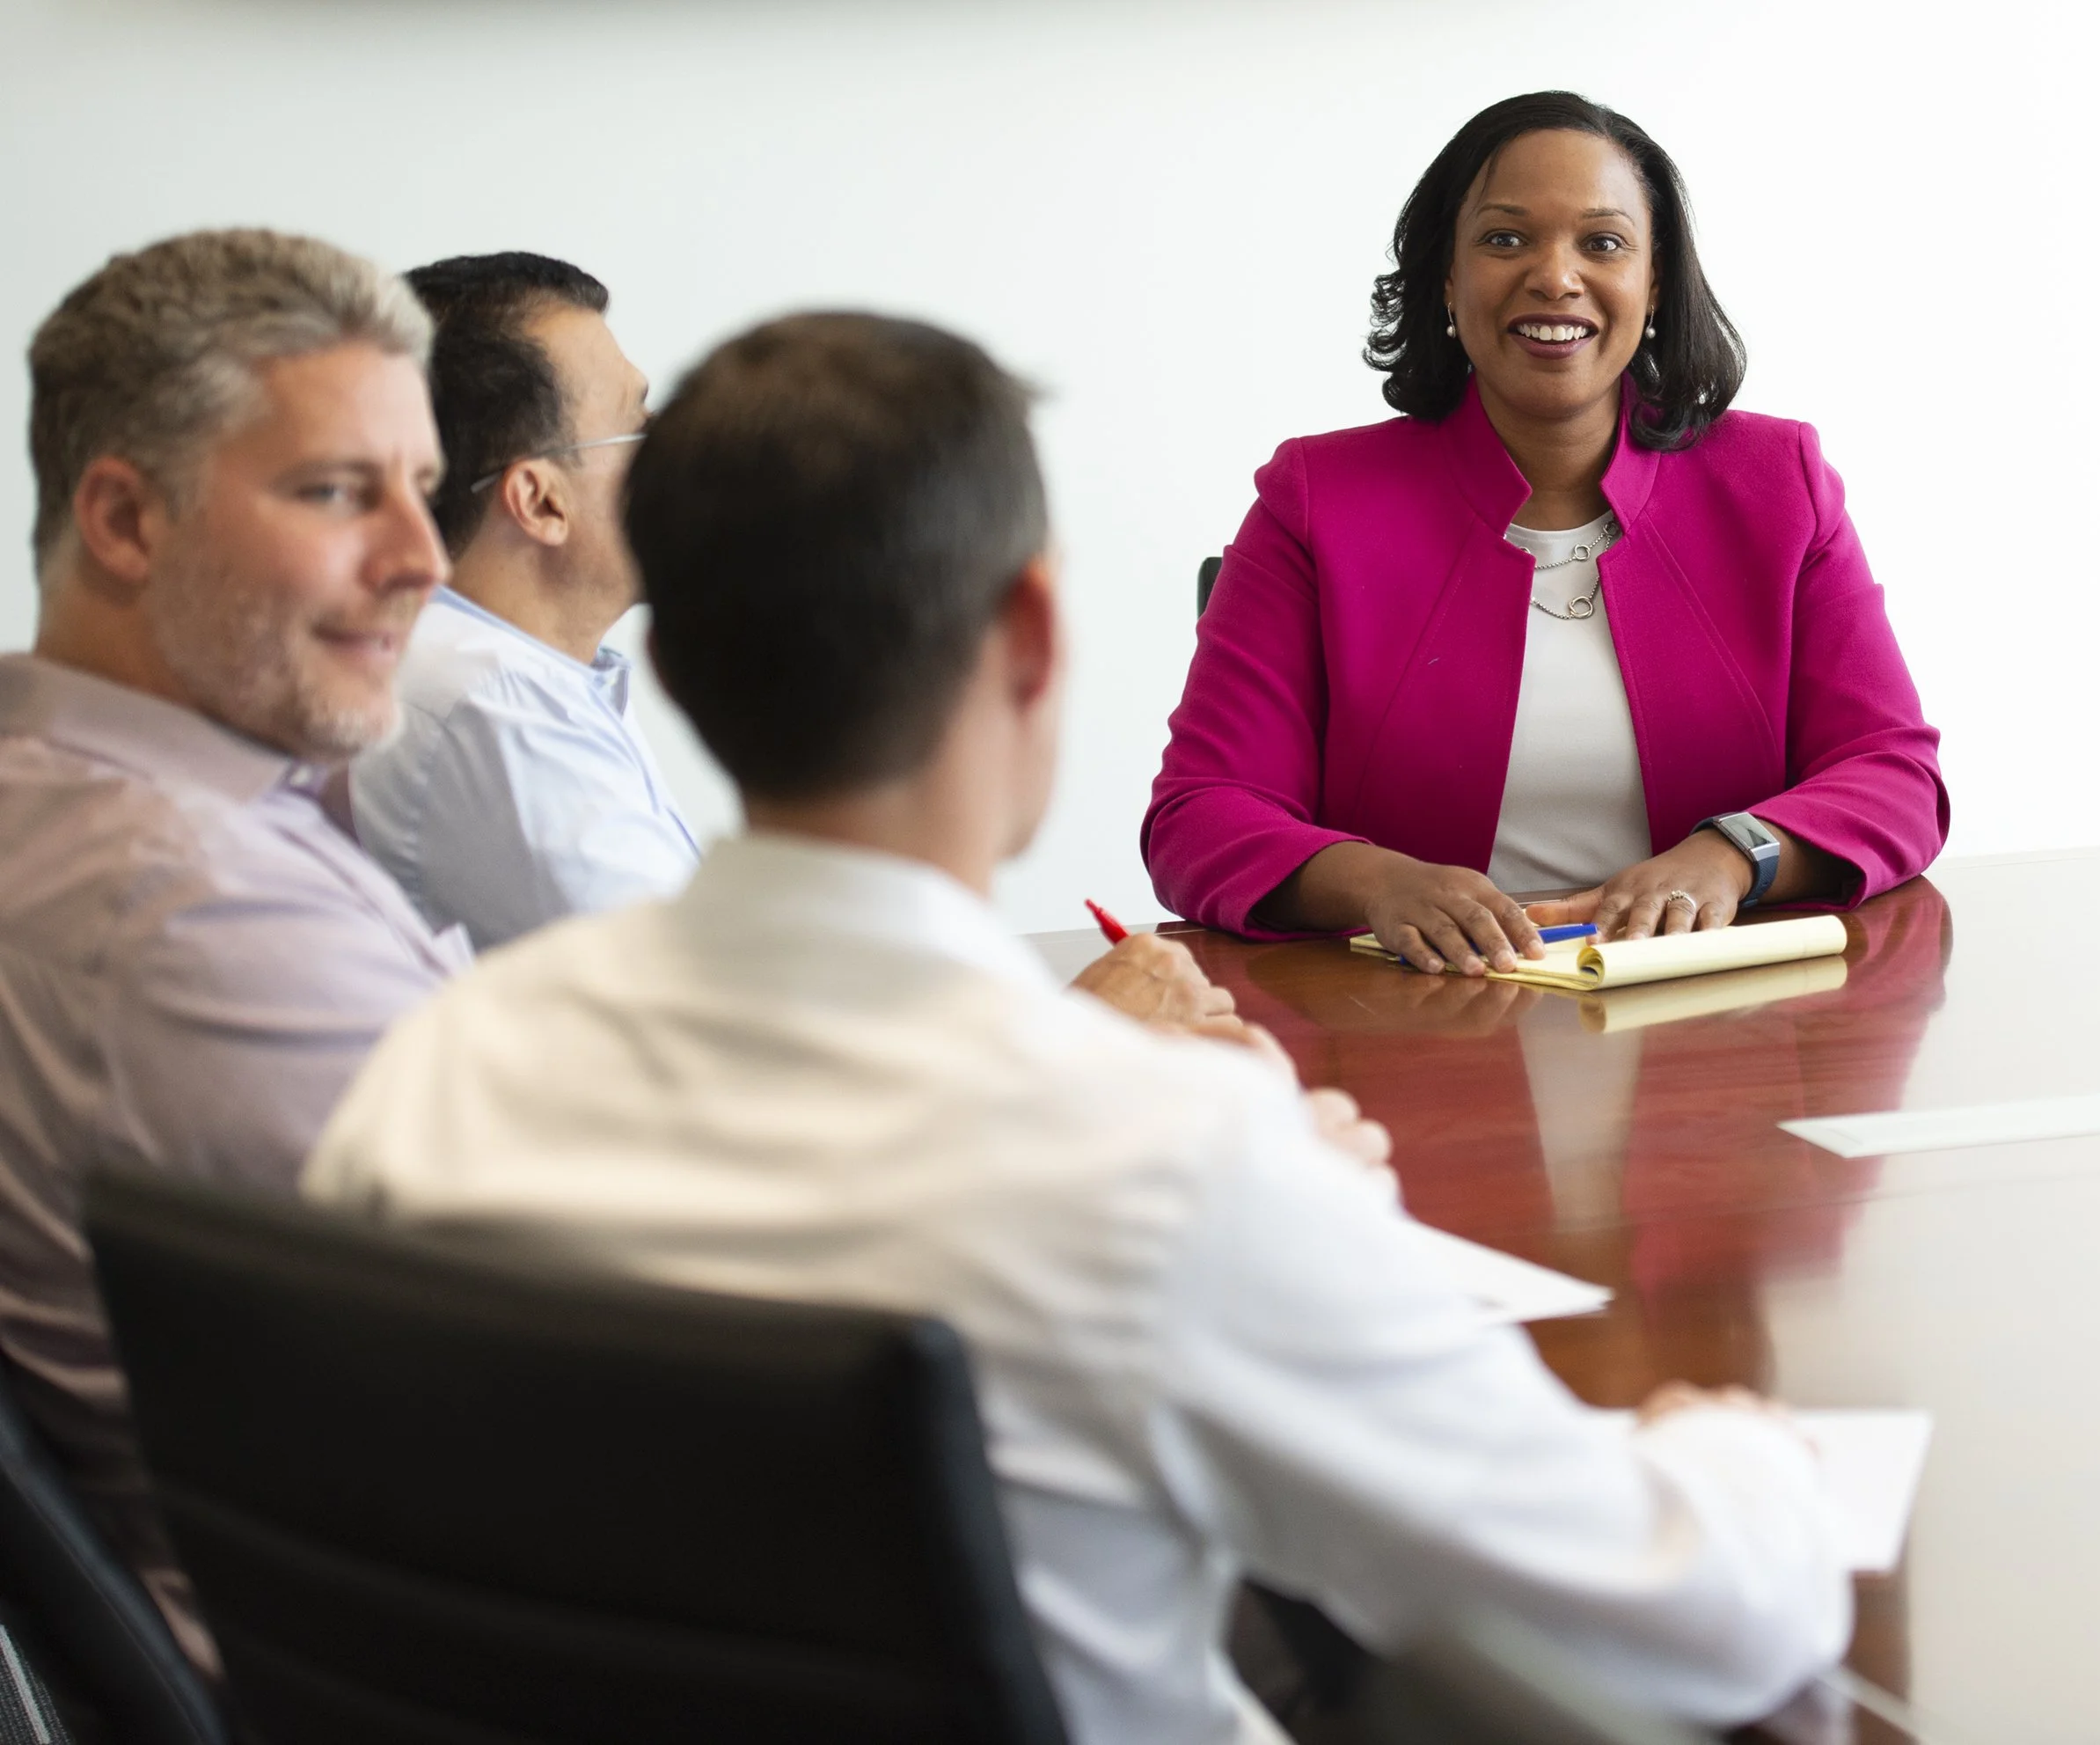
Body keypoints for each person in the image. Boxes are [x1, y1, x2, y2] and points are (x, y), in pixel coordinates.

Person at [307, 312, 1849, 1742]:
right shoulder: (1163, 1170)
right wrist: (1745, 1459)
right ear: (1031, 638)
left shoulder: (436, 1078)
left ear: (680, 659)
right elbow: (1700, 1619)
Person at [1144, 91, 1947, 979]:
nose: (1555, 277)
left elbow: (1893, 775)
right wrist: (1380, 885)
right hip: (1420, 1024)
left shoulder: (1777, 482)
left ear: (1655, 282)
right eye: (1504, 239)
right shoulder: (1315, 500)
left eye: (1602, 243)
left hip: (1708, 1008)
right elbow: (1201, 814)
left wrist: (1730, 855)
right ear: (1445, 279)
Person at [0, 228, 470, 1671]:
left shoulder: (72, 800)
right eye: (339, 493)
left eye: (425, 491)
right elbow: (633, 1317)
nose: (424, 562)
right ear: (128, 523)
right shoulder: (188, 904)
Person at [344, 253, 699, 950]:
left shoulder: (498, 676)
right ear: (540, 500)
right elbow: (700, 993)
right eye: (640, 429)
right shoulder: (491, 702)